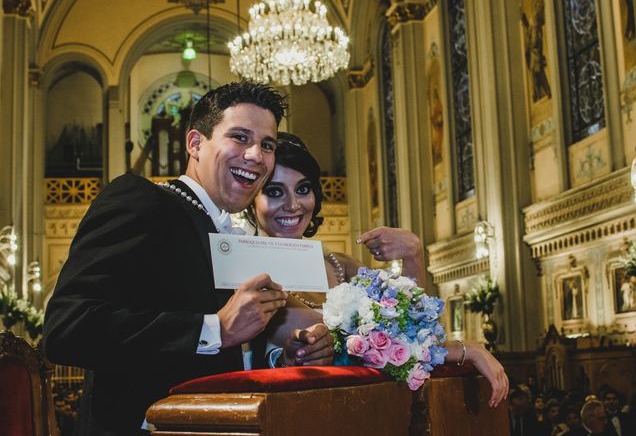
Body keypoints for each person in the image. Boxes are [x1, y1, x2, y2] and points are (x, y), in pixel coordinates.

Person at [42, 82, 331, 435]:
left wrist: (286, 358)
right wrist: (215, 328)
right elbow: (67, 328)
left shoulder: (232, 236)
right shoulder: (142, 201)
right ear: (195, 143)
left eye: (266, 144)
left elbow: (224, 356)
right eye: (240, 137)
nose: (256, 155)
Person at [250, 132, 509, 407]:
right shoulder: (252, 275)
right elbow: (367, 344)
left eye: (302, 189)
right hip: (302, 413)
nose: (293, 204)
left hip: (369, 408)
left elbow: (411, 322)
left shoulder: (340, 263)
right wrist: (467, 350)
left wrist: (413, 255)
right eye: (275, 192)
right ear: (251, 200)